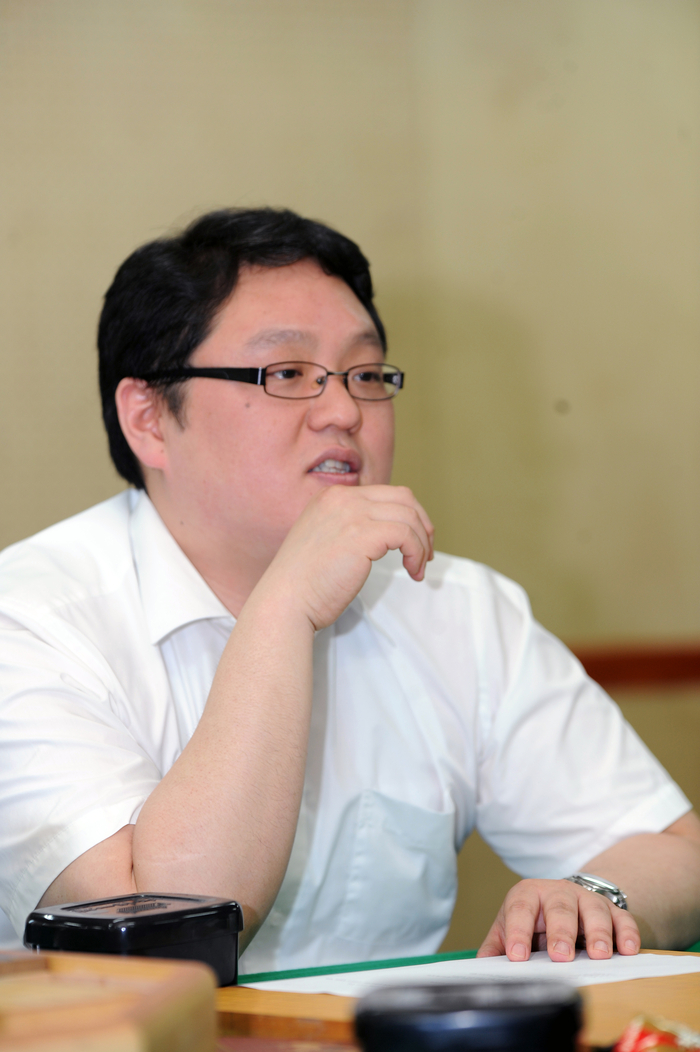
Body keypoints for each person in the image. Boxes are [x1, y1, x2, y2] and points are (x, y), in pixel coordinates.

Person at [1, 208, 699, 974]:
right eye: (286, 374)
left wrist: (593, 896)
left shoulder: (453, 607)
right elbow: (159, 933)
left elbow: (675, 852)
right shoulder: (30, 622)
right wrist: (282, 609)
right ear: (150, 419)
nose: (344, 412)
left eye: (366, 375)